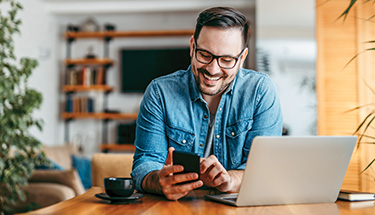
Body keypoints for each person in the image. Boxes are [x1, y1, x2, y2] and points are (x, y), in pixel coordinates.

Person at [131, 6, 283, 200]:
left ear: (242, 58)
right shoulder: (159, 93)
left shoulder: (261, 92)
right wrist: (159, 181)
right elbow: (145, 164)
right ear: (193, 46)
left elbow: (266, 169)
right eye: (205, 55)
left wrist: (230, 180)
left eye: (227, 59)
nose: (212, 69)